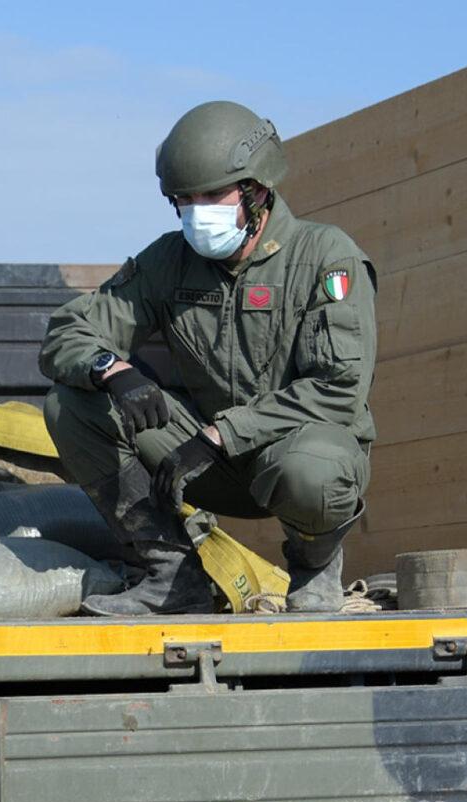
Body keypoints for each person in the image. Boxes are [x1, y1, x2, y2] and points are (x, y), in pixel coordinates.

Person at [40, 100, 378, 615]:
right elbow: (70, 330)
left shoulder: (325, 256)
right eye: (185, 198)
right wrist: (113, 371)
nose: (198, 210)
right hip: (199, 460)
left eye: (212, 195)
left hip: (290, 458)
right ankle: (173, 578)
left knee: (315, 468)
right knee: (71, 404)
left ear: (257, 189)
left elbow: (338, 389)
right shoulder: (169, 261)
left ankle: (315, 575)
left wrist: (224, 434)